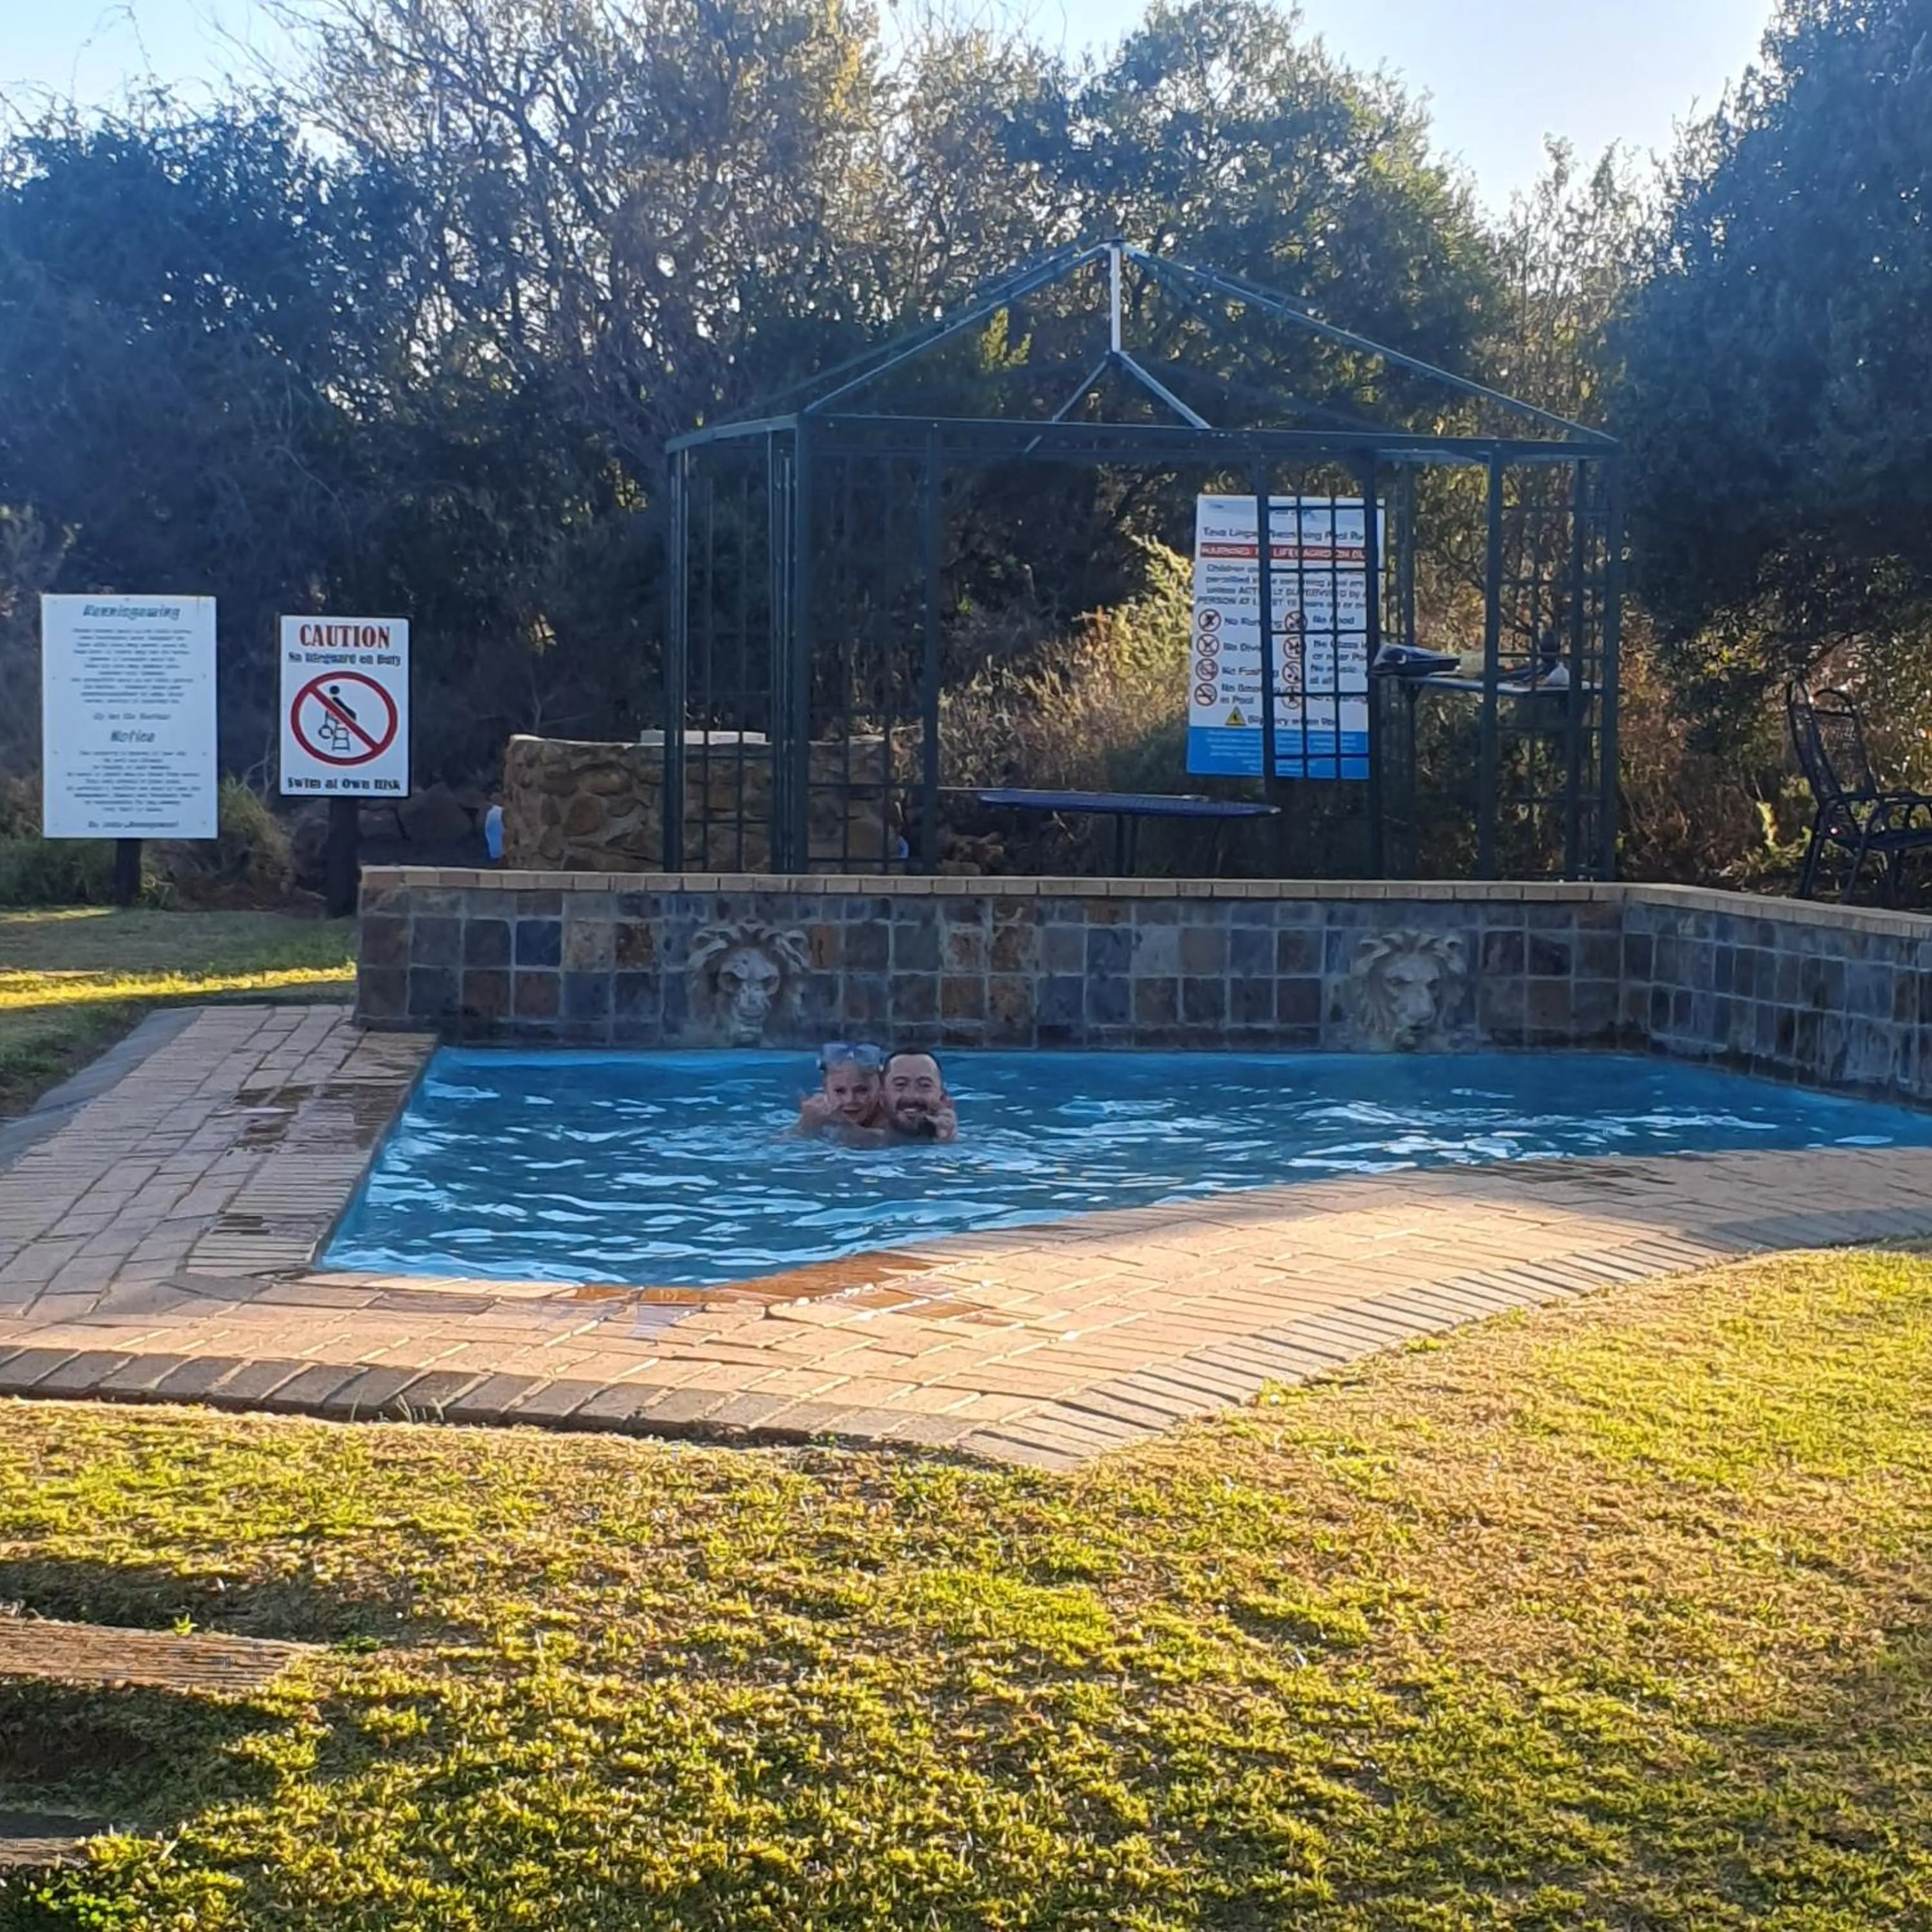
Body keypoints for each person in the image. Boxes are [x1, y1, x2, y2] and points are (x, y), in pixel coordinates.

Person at [797, 1043, 886, 1135]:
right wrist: (806, 1125)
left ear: (881, 1087)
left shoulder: (891, 1116)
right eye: (840, 1091)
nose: (850, 1100)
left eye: (862, 1090)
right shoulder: (818, 1111)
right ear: (825, 1088)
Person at [881, 1049, 957, 1142]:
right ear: (882, 1097)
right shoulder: (863, 1144)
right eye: (900, 1084)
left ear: (943, 1098)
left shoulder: (968, 1148)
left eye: (925, 1085)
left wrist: (946, 1144)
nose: (912, 1096)